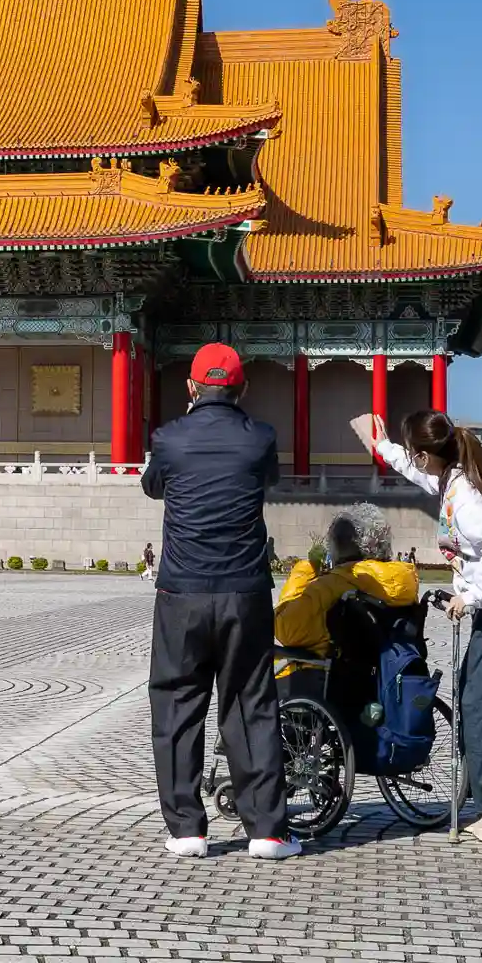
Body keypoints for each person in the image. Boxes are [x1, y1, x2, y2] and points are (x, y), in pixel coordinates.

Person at [355, 408, 482, 845]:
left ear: (428, 454)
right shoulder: (450, 478)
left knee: (480, 699)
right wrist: (383, 448)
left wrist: (471, 595)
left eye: (412, 452)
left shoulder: (466, 497)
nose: (412, 459)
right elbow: (416, 473)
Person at [141, 343, 296, 860]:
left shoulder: (168, 438)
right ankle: (267, 831)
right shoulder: (261, 439)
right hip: (244, 592)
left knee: (178, 703)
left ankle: (187, 827)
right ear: (241, 388)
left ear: (191, 387)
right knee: (250, 702)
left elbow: (153, 487)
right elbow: (267, 480)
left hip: (181, 592)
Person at [274, 504, 418, 672]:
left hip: (325, 682)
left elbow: (284, 629)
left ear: (338, 545)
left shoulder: (330, 586)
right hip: (380, 682)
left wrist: (306, 569)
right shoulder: (406, 580)